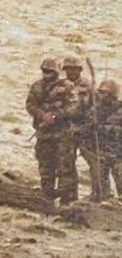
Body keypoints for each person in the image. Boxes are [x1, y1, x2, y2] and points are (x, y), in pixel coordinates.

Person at [25, 57, 80, 203]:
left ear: (56, 72)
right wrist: (42, 115)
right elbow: (30, 104)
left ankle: (66, 202)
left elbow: (73, 107)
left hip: (63, 135)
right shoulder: (37, 86)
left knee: (65, 169)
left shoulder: (68, 86)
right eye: (44, 70)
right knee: (45, 168)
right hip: (44, 134)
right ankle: (47, 200)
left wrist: (55, 116)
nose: (46, 73)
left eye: (49, 71)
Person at [62, 57, 97, 198]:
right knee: (66, 164)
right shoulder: (61, 85)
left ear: (79, 70)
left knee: (94, 162)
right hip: (66, 130)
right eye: (68, 69)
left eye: (74, 69)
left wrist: (90, 123)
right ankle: (69, 197)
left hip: (85, 130)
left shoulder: (88, 85)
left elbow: (95, 105)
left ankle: (97, 194)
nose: (71, 72)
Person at [94, 79, 122, 200]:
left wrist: (103, 128)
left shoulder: (120, 109)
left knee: (120, 178)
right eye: (100, 92)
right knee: (101, 180)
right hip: (101, 150)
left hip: (118, 152)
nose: (101, 95)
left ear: (112, 94)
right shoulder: (97, 109)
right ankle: (105, 199)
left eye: (104, 92)